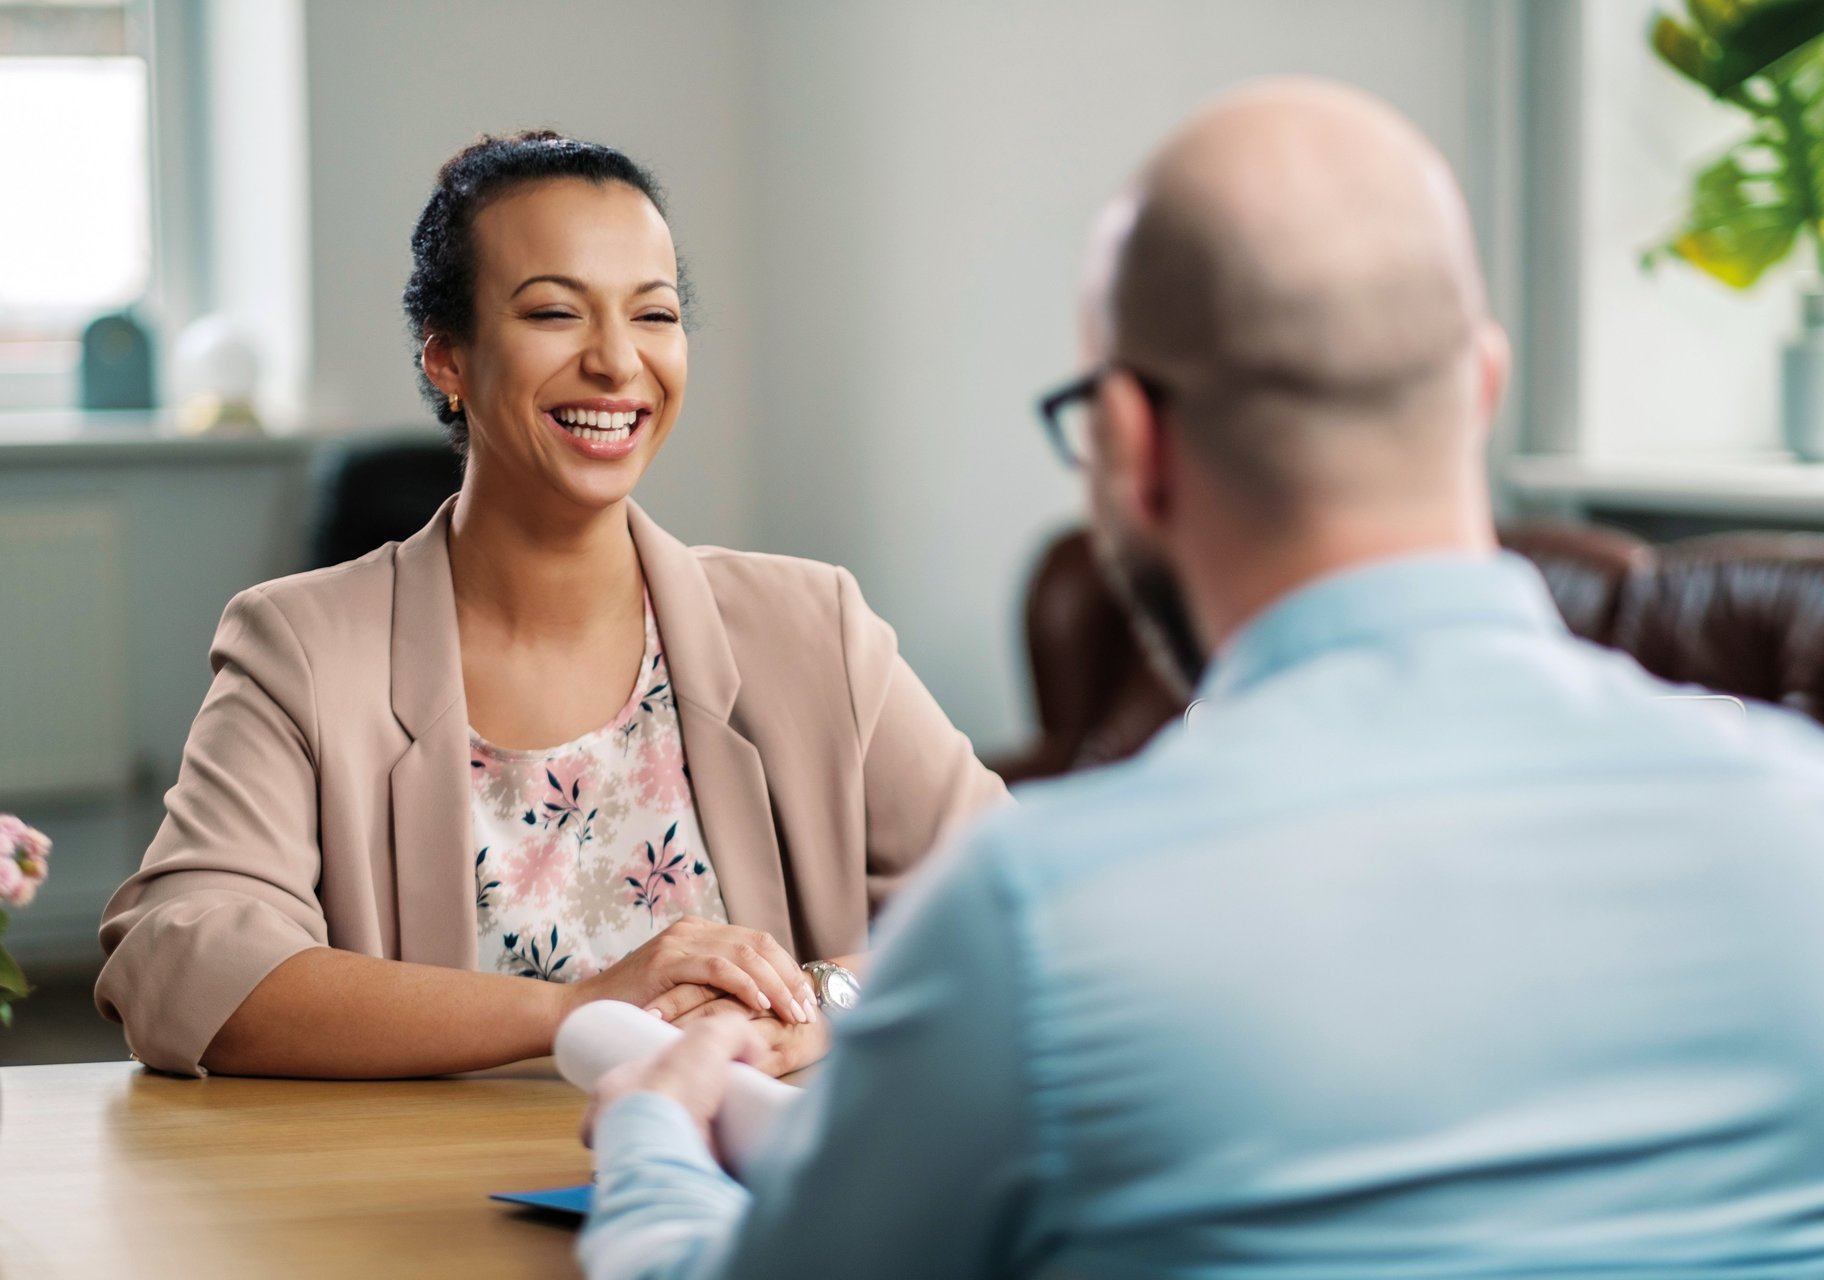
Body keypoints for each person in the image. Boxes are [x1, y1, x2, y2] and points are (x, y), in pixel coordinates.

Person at [575, 80, 1824, 1277]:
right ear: (1481, 389)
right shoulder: (1800, 818)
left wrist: (653, 1139)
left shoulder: (1035, 922)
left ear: (1129, 442)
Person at [95, 132, 1005, 1080]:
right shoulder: (304, 647)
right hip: (416, 1209)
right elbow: (179, 964)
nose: (618, 363)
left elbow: (1032, 902)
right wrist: (577, 1008)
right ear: (447, 357)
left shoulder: (812, 628)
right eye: (556, 313)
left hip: (740, 1194)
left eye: (653, 315)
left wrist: (821, 1002)